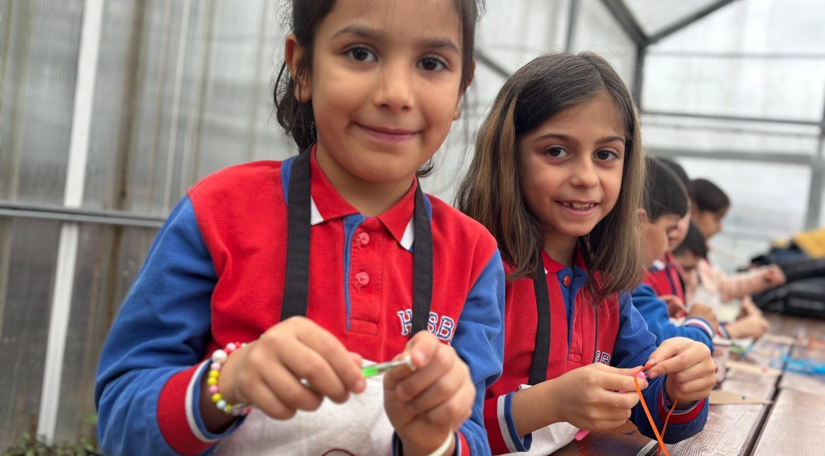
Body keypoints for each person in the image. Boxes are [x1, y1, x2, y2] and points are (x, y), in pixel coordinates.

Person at [95, 1, 506, 455]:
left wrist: (435, 441)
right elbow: (120, 421)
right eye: (360, 53)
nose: (396, 93)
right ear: (303, 67)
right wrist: (225, 385)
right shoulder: (217, 213)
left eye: (431, 63)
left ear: (461, 91)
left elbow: (471, 436)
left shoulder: (473, 256)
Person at [456, 53, 714, 455]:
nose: (586, 177)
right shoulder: (470, 268)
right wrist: (547, 404)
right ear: (508, 155)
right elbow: (441, 431)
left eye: (606, 155)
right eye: (557, 151)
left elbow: (653, 408)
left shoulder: (607, 286)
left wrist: (684, 386)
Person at [631, 158, 719, 351]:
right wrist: (702, 325)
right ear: (638, 222)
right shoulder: (629, 285)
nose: (666, 244)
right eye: (668, 229)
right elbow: (667, 345)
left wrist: (656, 310)